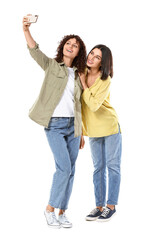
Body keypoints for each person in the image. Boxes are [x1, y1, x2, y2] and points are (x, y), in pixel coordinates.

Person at [23, 15, 86, 228]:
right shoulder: (51, 65)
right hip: (55, 126)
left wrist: (82, 131)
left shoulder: (79, 74)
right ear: (63, 47)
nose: (71, 46)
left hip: (74, 127)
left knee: (71, 170)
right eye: (68, 43)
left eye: (75, 45)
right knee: (63, 168)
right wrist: (25, 30)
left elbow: (80, 105)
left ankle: (62, 212)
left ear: (79, 52)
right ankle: (50, 208)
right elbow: (34, 51)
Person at [79, 44, 122, 222]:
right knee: (98, 169)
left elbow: (94, 105)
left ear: (102, 62)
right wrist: (80, 130)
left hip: (110, 127)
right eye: (92, 53)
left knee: (113, 167)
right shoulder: (80, 71)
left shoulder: (105, 79)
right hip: (93, 130)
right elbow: (78, 105)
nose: (91, 58)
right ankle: (98, 207)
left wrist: (83, 83)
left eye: (97, 57)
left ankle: (110, 207)